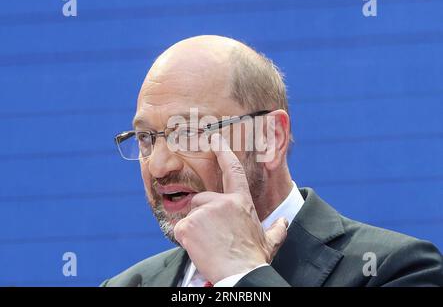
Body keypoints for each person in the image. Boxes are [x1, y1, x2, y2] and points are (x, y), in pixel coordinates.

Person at [101, 35, 443, 287]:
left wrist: (243, 274)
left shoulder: (398, 270)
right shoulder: (126, 285)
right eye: (146, 138)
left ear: (270, 138)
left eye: (188, 133)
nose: (159, 166)